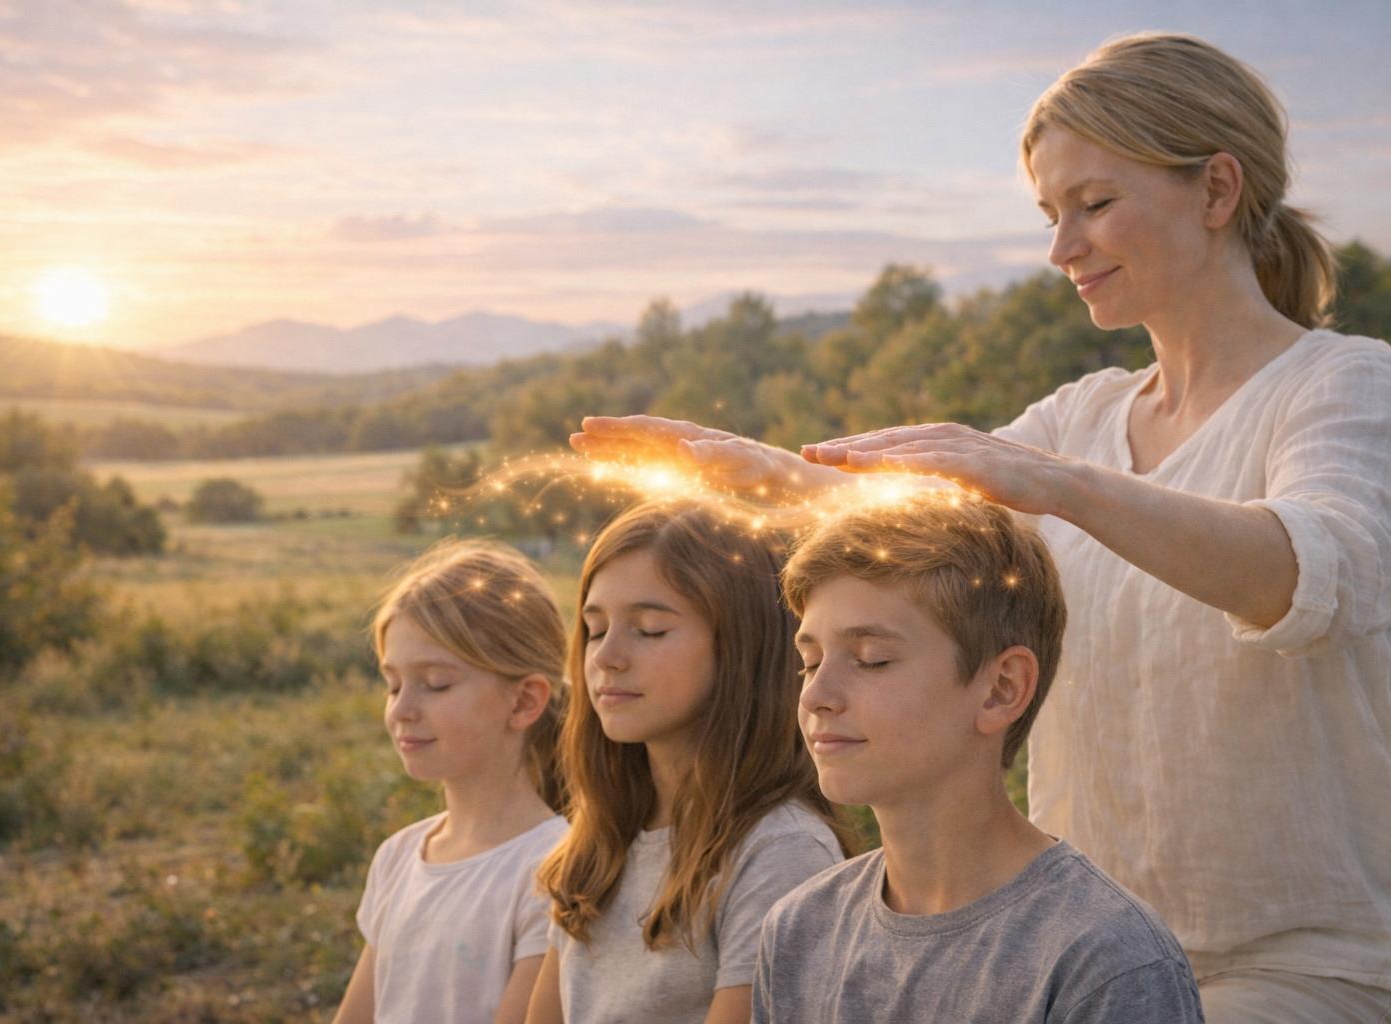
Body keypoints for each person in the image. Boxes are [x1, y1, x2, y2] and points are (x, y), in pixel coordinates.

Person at [573, 33, 1391, 1022]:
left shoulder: (1345, 387)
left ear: (1216, 190)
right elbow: (919, 534)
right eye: (1051, 215)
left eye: (1095, 204)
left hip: (1294, 971)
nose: (1062, 248)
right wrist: (767, 475)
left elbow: (1308, 574)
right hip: (1062, 952)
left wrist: (1059, 485)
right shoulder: (1082, 418)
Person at [755, 494, 1203, 1022]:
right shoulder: (799, 931)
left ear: (1001, 689)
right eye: (809, 662)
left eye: (871, 660)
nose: (816, 695)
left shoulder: (1104, 960)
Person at [524, 500, 854, 1024]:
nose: (606, 656)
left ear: (742, 645)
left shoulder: (781, 852)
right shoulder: (599, 844)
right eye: (595, 629)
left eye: (650, 629)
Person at [334, 540, 569, 1024]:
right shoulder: (398, 857)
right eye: (393, 684)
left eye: (436, 683)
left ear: (524, 701)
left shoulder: (555, 871)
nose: (402, 709)